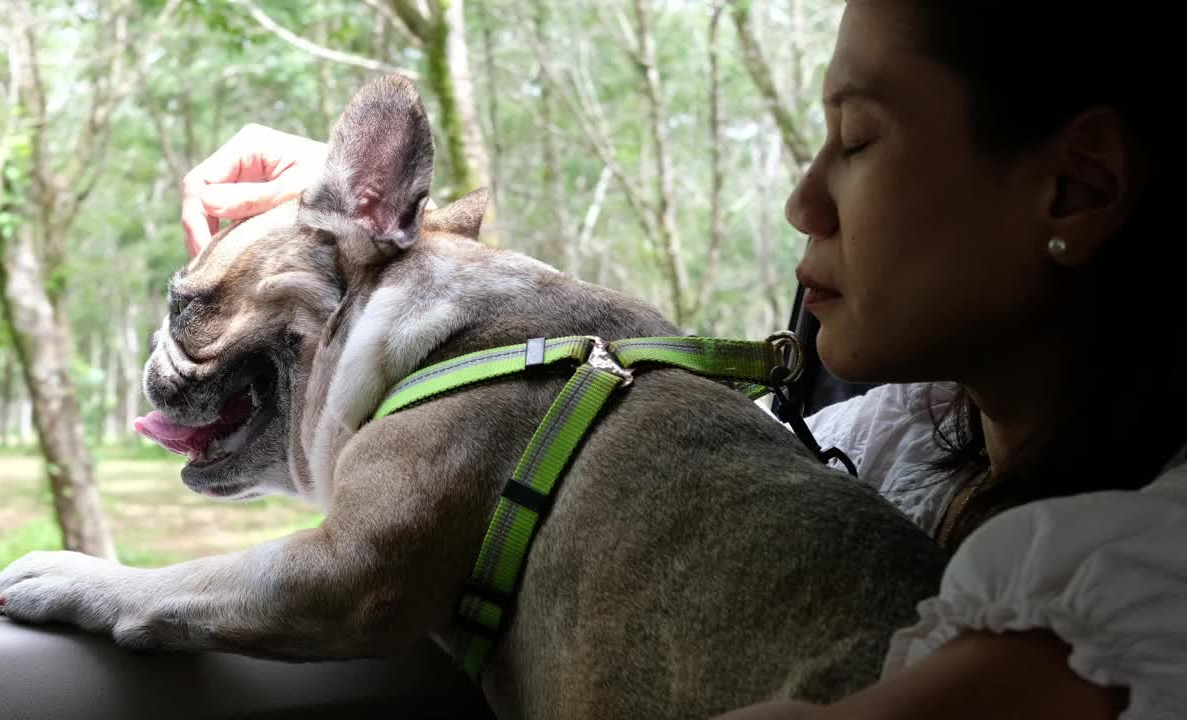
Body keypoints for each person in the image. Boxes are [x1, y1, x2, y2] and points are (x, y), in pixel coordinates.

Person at [177, 2, 1186, 717]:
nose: (803, 202)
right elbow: (589, 437)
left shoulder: (1135, 590)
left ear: (1074, 188)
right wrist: (343, 229)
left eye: (855, 139)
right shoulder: (880, 441)